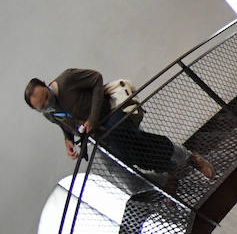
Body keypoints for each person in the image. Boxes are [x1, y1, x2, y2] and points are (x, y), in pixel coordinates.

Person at [24, 70, 215, 181]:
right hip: (99, 135)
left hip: (111, 114)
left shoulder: (67, 80)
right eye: (43, 107)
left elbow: (96, 79)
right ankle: (170, 170)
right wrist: (68, 140)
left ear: (46, 84)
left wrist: (92, 117)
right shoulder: (49, 114)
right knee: (127, 158)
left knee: (132, 143)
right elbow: (64, 124)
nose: (48, 104)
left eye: (47, 98)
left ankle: (189, 159)